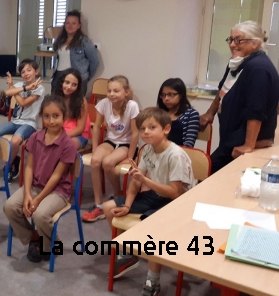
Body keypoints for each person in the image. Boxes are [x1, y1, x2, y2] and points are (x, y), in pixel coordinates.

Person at [102, 107, 195, 295]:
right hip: (156, 194)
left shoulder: (175, 155)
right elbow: (136, 181)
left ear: (166, 129)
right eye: (142, 128)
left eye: (152, 127)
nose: (146, 132)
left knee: (153, 229)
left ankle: (153, 280)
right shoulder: (147, 150)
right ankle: (127, 254)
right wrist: (127, 205)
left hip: (178, 203)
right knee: (108, 207)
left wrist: (146, 181)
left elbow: (175, 193)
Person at [3, 95, 77, 262]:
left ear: (64, 117)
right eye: (47, 116)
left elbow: (57, 176)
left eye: (56, 116)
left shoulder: (68, 144)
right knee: (10, 207)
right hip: (35, 186)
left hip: (57, 191)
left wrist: (38, 200)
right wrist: (28, 194)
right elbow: (28, 167)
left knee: (40, 215)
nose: (51, 121)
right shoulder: (36, 137)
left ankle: (49, 245)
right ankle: (34, 238)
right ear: (41, 117)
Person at [200, 21, 279, 173]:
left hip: (247, 143)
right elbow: (222, 89)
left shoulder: (258, 68)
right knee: (207, 171)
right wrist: (210, 112)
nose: (232, 44)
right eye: (231, 39)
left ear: (255, 43)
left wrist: (248, 145)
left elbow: (256, 110)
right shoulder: (238, 63)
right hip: (231, 140)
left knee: (210, 175)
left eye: (239, 40)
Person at [82, 75, 139, 223]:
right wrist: (95, 147)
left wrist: (130, 157)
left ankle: (118, 194)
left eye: (116, 91)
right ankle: (99, 204)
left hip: (125, 144)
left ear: (126, 92)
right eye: (109, 91)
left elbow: (135, 134)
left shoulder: (132, 106)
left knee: (107, 163)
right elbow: (96, 128)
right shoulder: (104, 103)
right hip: (110, 142)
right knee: (95, 160)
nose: (111, 94)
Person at [0, 59, 45, 181]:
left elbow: (23, 102)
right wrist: (23, 88)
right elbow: (8, 92)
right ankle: (14, 159)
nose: (25, 73)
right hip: (16, 121)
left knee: (15, 141)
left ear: (36, 72)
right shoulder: (21, 85)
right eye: (22, 72)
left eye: (29, 70)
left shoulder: (40, 89)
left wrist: (14, 89)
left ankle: (8, 165)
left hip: (29, 124)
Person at [51, 10, 99, 96]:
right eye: (67, 23)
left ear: (78, 26)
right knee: (56, 103)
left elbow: (94, 61)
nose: (70, 26)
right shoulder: (60, 40)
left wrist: (85, 76)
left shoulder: (84, 42)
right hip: (59, 76)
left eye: (73, 23)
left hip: (76, 77)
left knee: (74, 105)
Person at [53, 68, 91, 150]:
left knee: (63, 147)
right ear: (61, 82)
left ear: (78, 87)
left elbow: (80, 129)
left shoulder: (81, 101)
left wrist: (60, 137)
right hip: (58, 133)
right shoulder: (56, 98)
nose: (69, 87)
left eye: (74, 85)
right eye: (67, 82)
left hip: (77, 136)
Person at [156, 78, 199, 147]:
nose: (166, 98)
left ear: (181, 95)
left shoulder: (191, 114)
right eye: (163, 95)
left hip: (180, 154)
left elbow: (189, 144)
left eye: (171, 95)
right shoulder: (159, 113)